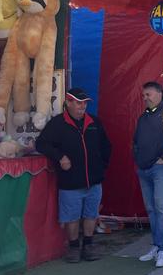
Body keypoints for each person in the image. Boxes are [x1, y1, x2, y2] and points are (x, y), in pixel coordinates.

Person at [36, 87, 112, 263]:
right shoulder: (57, 124)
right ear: (68, 103)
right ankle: (73, 248)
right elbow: (42, 144)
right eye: (78, 103)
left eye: (84, 103)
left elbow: (106, 146)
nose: (82, 106)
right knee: (71, 217)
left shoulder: (94, 122)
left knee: (91, 215)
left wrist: (101, 167)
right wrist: (60, 157)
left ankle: (89, 245)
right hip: (70, 182)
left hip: (94, 181)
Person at [133, 81, 163, 268]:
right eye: (144, 95)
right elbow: (136, 141)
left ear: (159, 93)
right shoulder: (144, 117)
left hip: (161, 168)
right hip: (144, 169)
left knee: (162, 208)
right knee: (151, 209)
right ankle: (157, 246)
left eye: (148, 94)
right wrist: (138, 158)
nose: (145, 98)